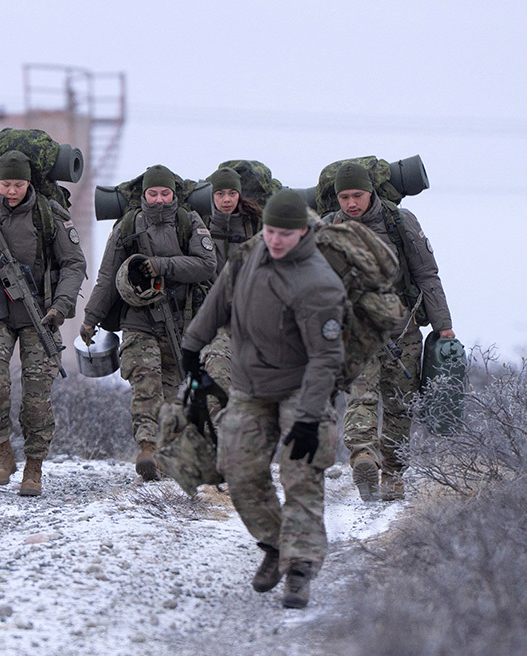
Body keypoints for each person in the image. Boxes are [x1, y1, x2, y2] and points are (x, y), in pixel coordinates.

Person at [180, 189, 346, 609]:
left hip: (300, 389)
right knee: (237, 469)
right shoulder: (253, 251)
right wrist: (192, 345)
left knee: (301, 474)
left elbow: (326, 359)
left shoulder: (319, 284)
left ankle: (300, 570)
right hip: (250, 385)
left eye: (284, 235)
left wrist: (309, 419)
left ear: (304, 233)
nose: (274, 240)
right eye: (270, 231)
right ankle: (276, 544)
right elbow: (221, 294)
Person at [0, 150, 86, 497]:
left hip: (41, 315)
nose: (12, 191)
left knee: (37, 399)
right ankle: (2, 452)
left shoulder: (49, 214)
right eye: (6, 184)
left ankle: (34, 468)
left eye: (19, 184)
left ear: (30, 183)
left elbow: (74, 264)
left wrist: (61, 306)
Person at [325, 162, 455, 502]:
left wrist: (443, 325)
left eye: (357, 195)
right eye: (344, 196)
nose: (351, 203)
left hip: (403, 328)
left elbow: (427, 274)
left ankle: (394, 472)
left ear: (371, 192)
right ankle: (364, 457)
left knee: (400, 404)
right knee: (361, 396)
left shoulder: (399, 222)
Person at [80, 164, 216, 481]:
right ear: (143, 196)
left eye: (164, 193)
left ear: (173, 195)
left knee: (171, 391)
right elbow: (107, 276)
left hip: (179, 322)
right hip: (138, 319)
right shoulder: (128, 225)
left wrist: (161, 265)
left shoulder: (189, 221)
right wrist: (90, 319)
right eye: (152, 194)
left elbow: (206, 265)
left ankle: (165, 455)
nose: (158, 199)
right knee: (145, 380)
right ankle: (147, 447)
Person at [199, 167, 263, 404]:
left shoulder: (256, 224)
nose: (227, 200)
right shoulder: (199, 224)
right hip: (214, 320)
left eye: (232, 193)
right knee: (217, 383)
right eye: (220, 194)